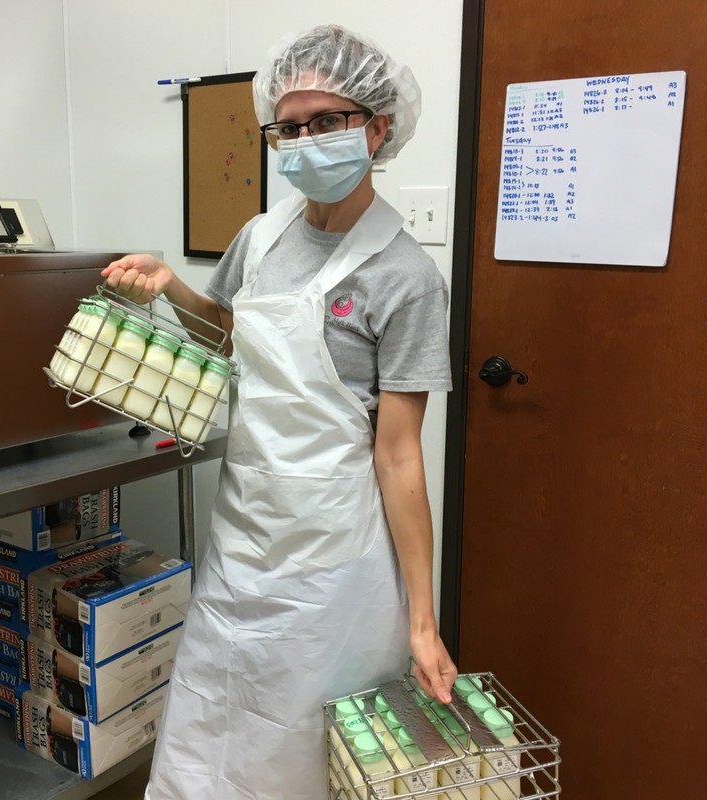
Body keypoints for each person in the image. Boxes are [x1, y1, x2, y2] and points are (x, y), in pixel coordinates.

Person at [103, 23, 457, 800]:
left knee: (308, 750)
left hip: (336, 567)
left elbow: (399, 457)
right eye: (289, 127)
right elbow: (228, 336)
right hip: (242, 543)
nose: (304, 142)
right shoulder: (260, 238)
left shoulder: (405, 277)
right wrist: (174, 286)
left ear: (377, 127)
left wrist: (424, 622)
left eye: (326, 121)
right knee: (214, 726)